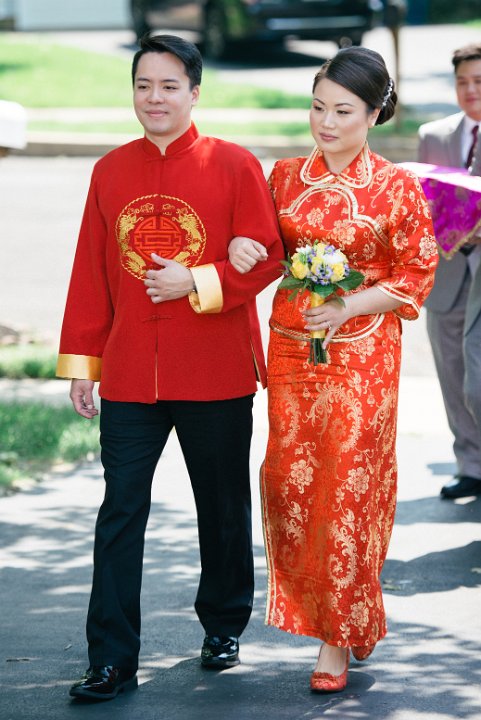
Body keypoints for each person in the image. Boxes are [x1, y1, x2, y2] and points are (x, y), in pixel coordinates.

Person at [56, 34, 283, 702]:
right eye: (143, 85)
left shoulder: (234, 165)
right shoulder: (109, 171)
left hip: (213, 369)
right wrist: (84, 362)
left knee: (221, 505)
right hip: (130, 372)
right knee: (119, 511)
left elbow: (268, 256)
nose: (154, 98)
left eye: (168, 86)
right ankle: (110, 659)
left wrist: (198, 279)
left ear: (194, 93)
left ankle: (223, 625)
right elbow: (91, 272)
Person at [229, 46, 438, 693]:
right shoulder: (283, 176)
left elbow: (416, 271)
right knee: (292, 483)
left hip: (363, 357)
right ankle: (353, 611)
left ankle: (335, 639)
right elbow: (265, 249)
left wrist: (349, 303)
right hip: (294, 351)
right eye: (317, 107)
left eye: (343, 111)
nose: (325, 122)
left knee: (347, 486)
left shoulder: (396, 186)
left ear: (373, 114)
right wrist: (241, 246)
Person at [418, 43, 481, 500]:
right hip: (449, 272)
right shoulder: (434, 135)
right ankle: (471, 465)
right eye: (462, 82)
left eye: (479, 81)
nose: (470, 89)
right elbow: (423, 202)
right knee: (452, 372)